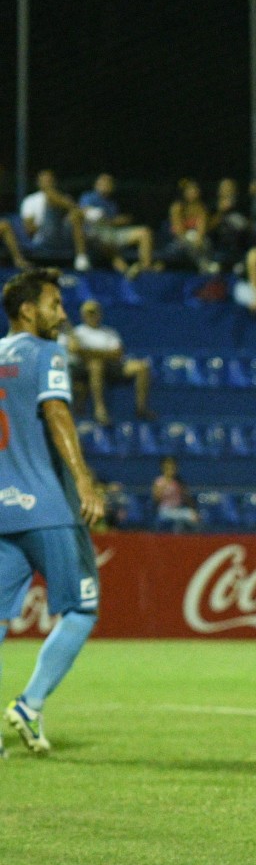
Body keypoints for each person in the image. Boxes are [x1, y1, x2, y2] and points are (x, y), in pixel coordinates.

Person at [0, 269, 106, 755]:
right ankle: (30, 703)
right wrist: (84, 479)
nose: (62, 313)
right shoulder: (47, 354)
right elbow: (57, 412)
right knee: (81, 607)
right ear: (28, 310)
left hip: (3, 509)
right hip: (48, 507)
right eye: (54, 304)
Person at [65, 299, 152, 424]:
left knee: (142, 367)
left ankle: (141, 408)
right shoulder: (78, 333)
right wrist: (102, 355)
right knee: (96, 365)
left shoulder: (109, 332)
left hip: (113, 366)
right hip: (86, 369)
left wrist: (89, 352)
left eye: (94, 313)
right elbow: (75, 350)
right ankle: (100, 410)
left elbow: (117, 353)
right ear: (83, 315)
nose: (92, 316)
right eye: (89, 313)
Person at [77, 174, 156, 276]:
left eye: (110, 183)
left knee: (145, 232)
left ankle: (146, 269)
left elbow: (111, 222)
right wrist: (103, 218)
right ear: (97, 184)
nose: (107, 185)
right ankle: (126, 271)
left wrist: (119, 220)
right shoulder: (88, 197)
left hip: (111, 233)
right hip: (93, 236)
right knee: (106, 245)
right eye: (104, 182)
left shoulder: (112, 203)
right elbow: (84, 213)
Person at [19, 170, 91, 269]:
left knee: (75, 216)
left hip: (62, 234)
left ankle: (81, 257)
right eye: (44, 180)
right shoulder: (30, 200)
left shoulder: (64, 198)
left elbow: (72, 218)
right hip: (43, 236)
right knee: (50, 196)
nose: (48, 183)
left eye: (50, 180)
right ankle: (84, 211)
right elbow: (29, 229)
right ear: (38, 183)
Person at [206, 177, 253, 273]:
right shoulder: (212, 205)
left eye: (230, 187)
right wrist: (221, 211)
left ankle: (240, 263)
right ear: (219, 190)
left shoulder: (242, 204)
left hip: (240, 244)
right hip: (218, 244)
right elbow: (208, 228)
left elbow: (250, 226)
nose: (228, 190)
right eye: (225, 188)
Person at [165, 178, 210, 267]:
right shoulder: (177, 207)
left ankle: (205, 267)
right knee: (188, 245)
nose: (195, 192)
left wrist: (199, 239)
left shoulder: (201, 208)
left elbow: (202, 230)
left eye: (196, 189)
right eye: (191, 189)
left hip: (196, 241)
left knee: (206, 243)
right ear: (184, 192)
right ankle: (204, 265)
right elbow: (179, 232)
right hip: (176, 241)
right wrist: (190, 241)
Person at [150, 455, 199, 532]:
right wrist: (167, 481)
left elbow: (187, 498)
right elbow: (156, 499)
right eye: (167, 466)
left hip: (179, 509)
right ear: (163, 467)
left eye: (172, 466)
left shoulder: (179, 481)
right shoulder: (159, 481)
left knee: (193, 516)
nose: (170, 468)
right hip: (164, 510)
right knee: (183, 517)